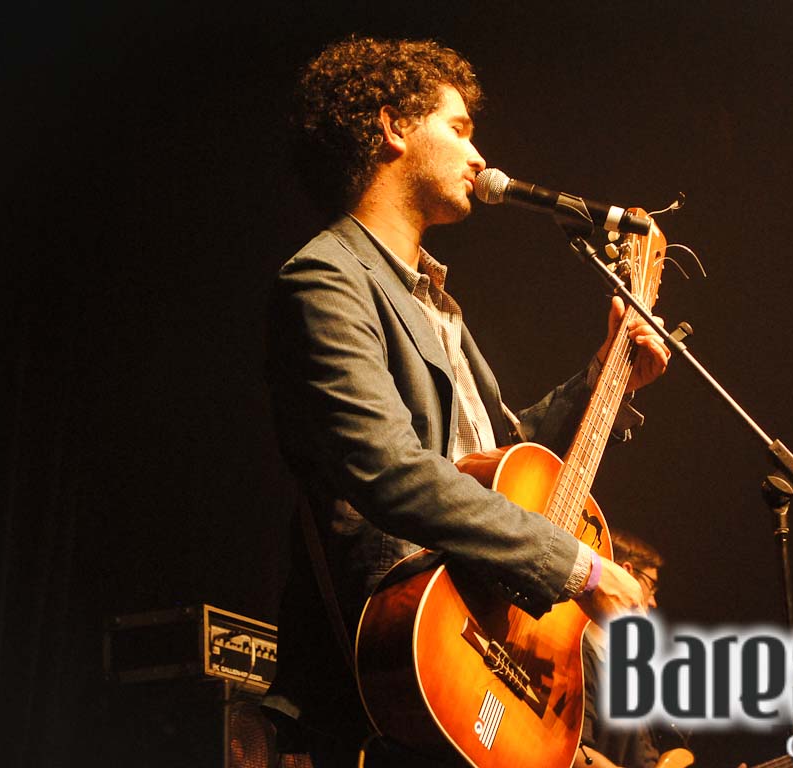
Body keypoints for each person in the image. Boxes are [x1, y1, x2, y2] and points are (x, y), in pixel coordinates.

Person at [261, 36, 671, 767]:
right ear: (392, 127)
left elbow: (508, 461)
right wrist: (581, 568)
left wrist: (604, 379)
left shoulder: (440, 305)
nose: (479, 157)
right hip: (392, 669)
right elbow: (390, 469)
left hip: (469, 647)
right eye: (458, 129)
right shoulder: (327, 279)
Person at [577, 529, 671, 768]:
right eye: (651, 586)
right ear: (627, 572)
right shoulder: (576, 652)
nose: (653, 601)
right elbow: (574, 752)